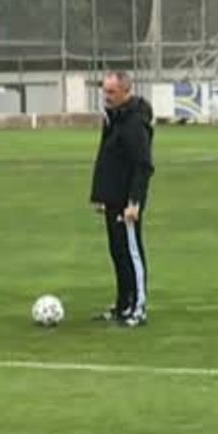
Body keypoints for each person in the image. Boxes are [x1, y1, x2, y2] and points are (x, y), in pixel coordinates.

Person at [90, 71, 154, 328]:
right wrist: (101, 194)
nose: (106, 96)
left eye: (111, 92)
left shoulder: (135, 122)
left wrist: (134, 202)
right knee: (117, 252)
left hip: (128, 202)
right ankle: (122, 305)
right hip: (113, 197)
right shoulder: (112, 118)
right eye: (105, 91)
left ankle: (138, 308)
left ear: (126, 92)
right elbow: (106, 159)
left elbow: (143, 165)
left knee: (131, 253)